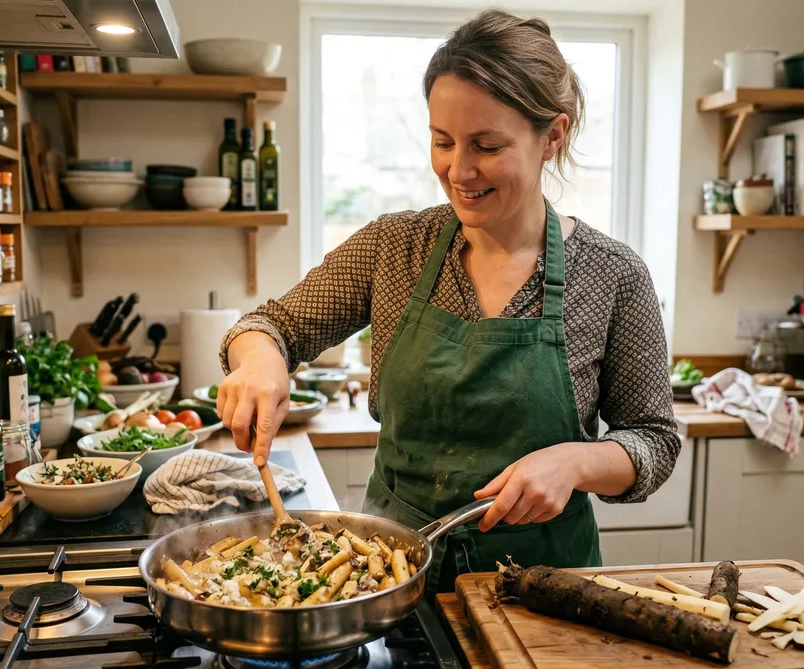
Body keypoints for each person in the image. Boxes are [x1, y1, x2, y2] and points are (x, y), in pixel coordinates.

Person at [217, 8, 680, 594]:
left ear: (552, 136)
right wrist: (260, 358)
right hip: (388, 577)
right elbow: (269, 325)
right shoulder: (394, 248)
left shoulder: (612, 273)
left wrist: (575, 462)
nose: (458, 170)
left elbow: (653, 440)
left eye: (486, 146)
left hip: (545, 587)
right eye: (442, 141)